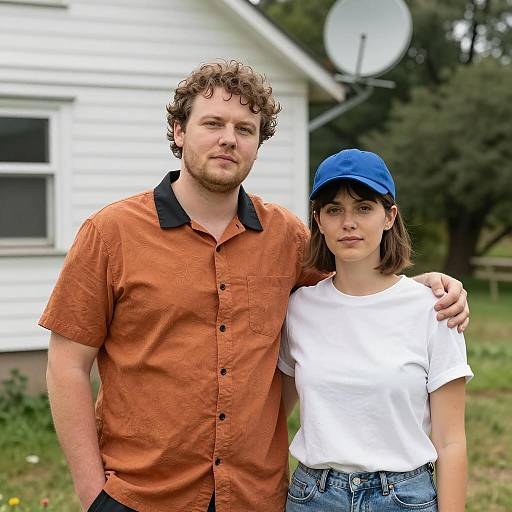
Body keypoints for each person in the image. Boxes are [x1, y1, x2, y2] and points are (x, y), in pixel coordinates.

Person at [39, 61, 469, 512]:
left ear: (258, 145)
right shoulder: (111, 233)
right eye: (213, 123)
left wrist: (420, 289)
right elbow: (66, 365)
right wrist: (93, 496)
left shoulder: (287, 237)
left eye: (246, 128)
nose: (229, 138)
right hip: (142, 496)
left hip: (253, 497)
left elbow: (355, 290)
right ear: (178, 130)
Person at [278, 148, 473, 512]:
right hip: (313, 497)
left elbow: (451, 442)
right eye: (334, 210)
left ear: (389, 216)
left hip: (403, 497)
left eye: (364, 208)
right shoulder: (299, 309)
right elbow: (272, 415)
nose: (348, 222)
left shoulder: (434, 309)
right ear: (318, 221)